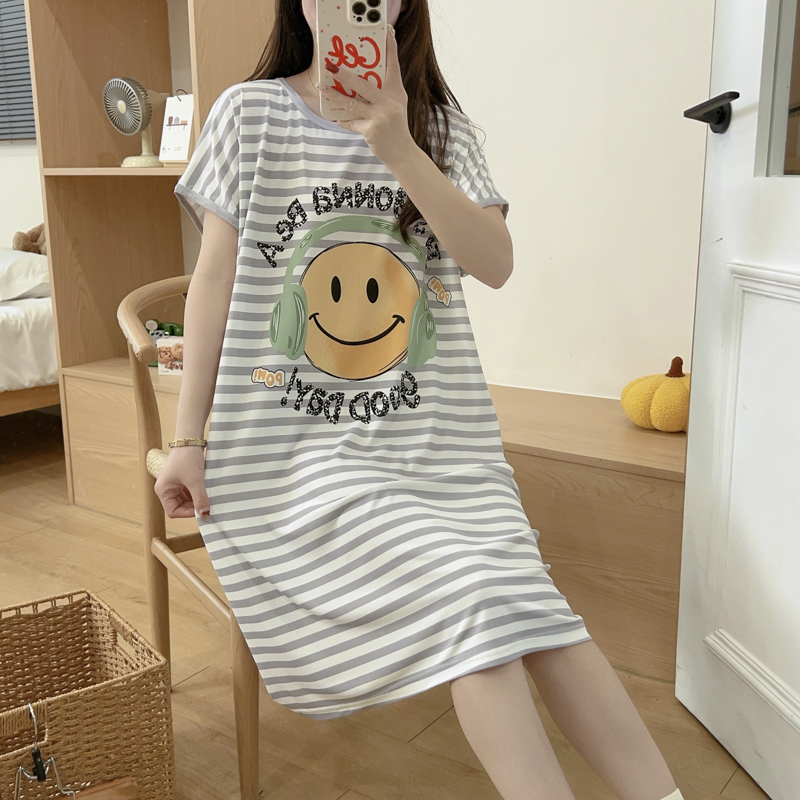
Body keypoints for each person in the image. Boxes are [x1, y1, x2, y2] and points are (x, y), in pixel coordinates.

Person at [158, 1, 686, 798]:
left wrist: (397, 144)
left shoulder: (441, 130)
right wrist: (187, 439)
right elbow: (214, 282)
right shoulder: (248, 114)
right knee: (475, 598)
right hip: (300, 460)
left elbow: (494, 263)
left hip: (443, 451)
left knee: (527, 603)